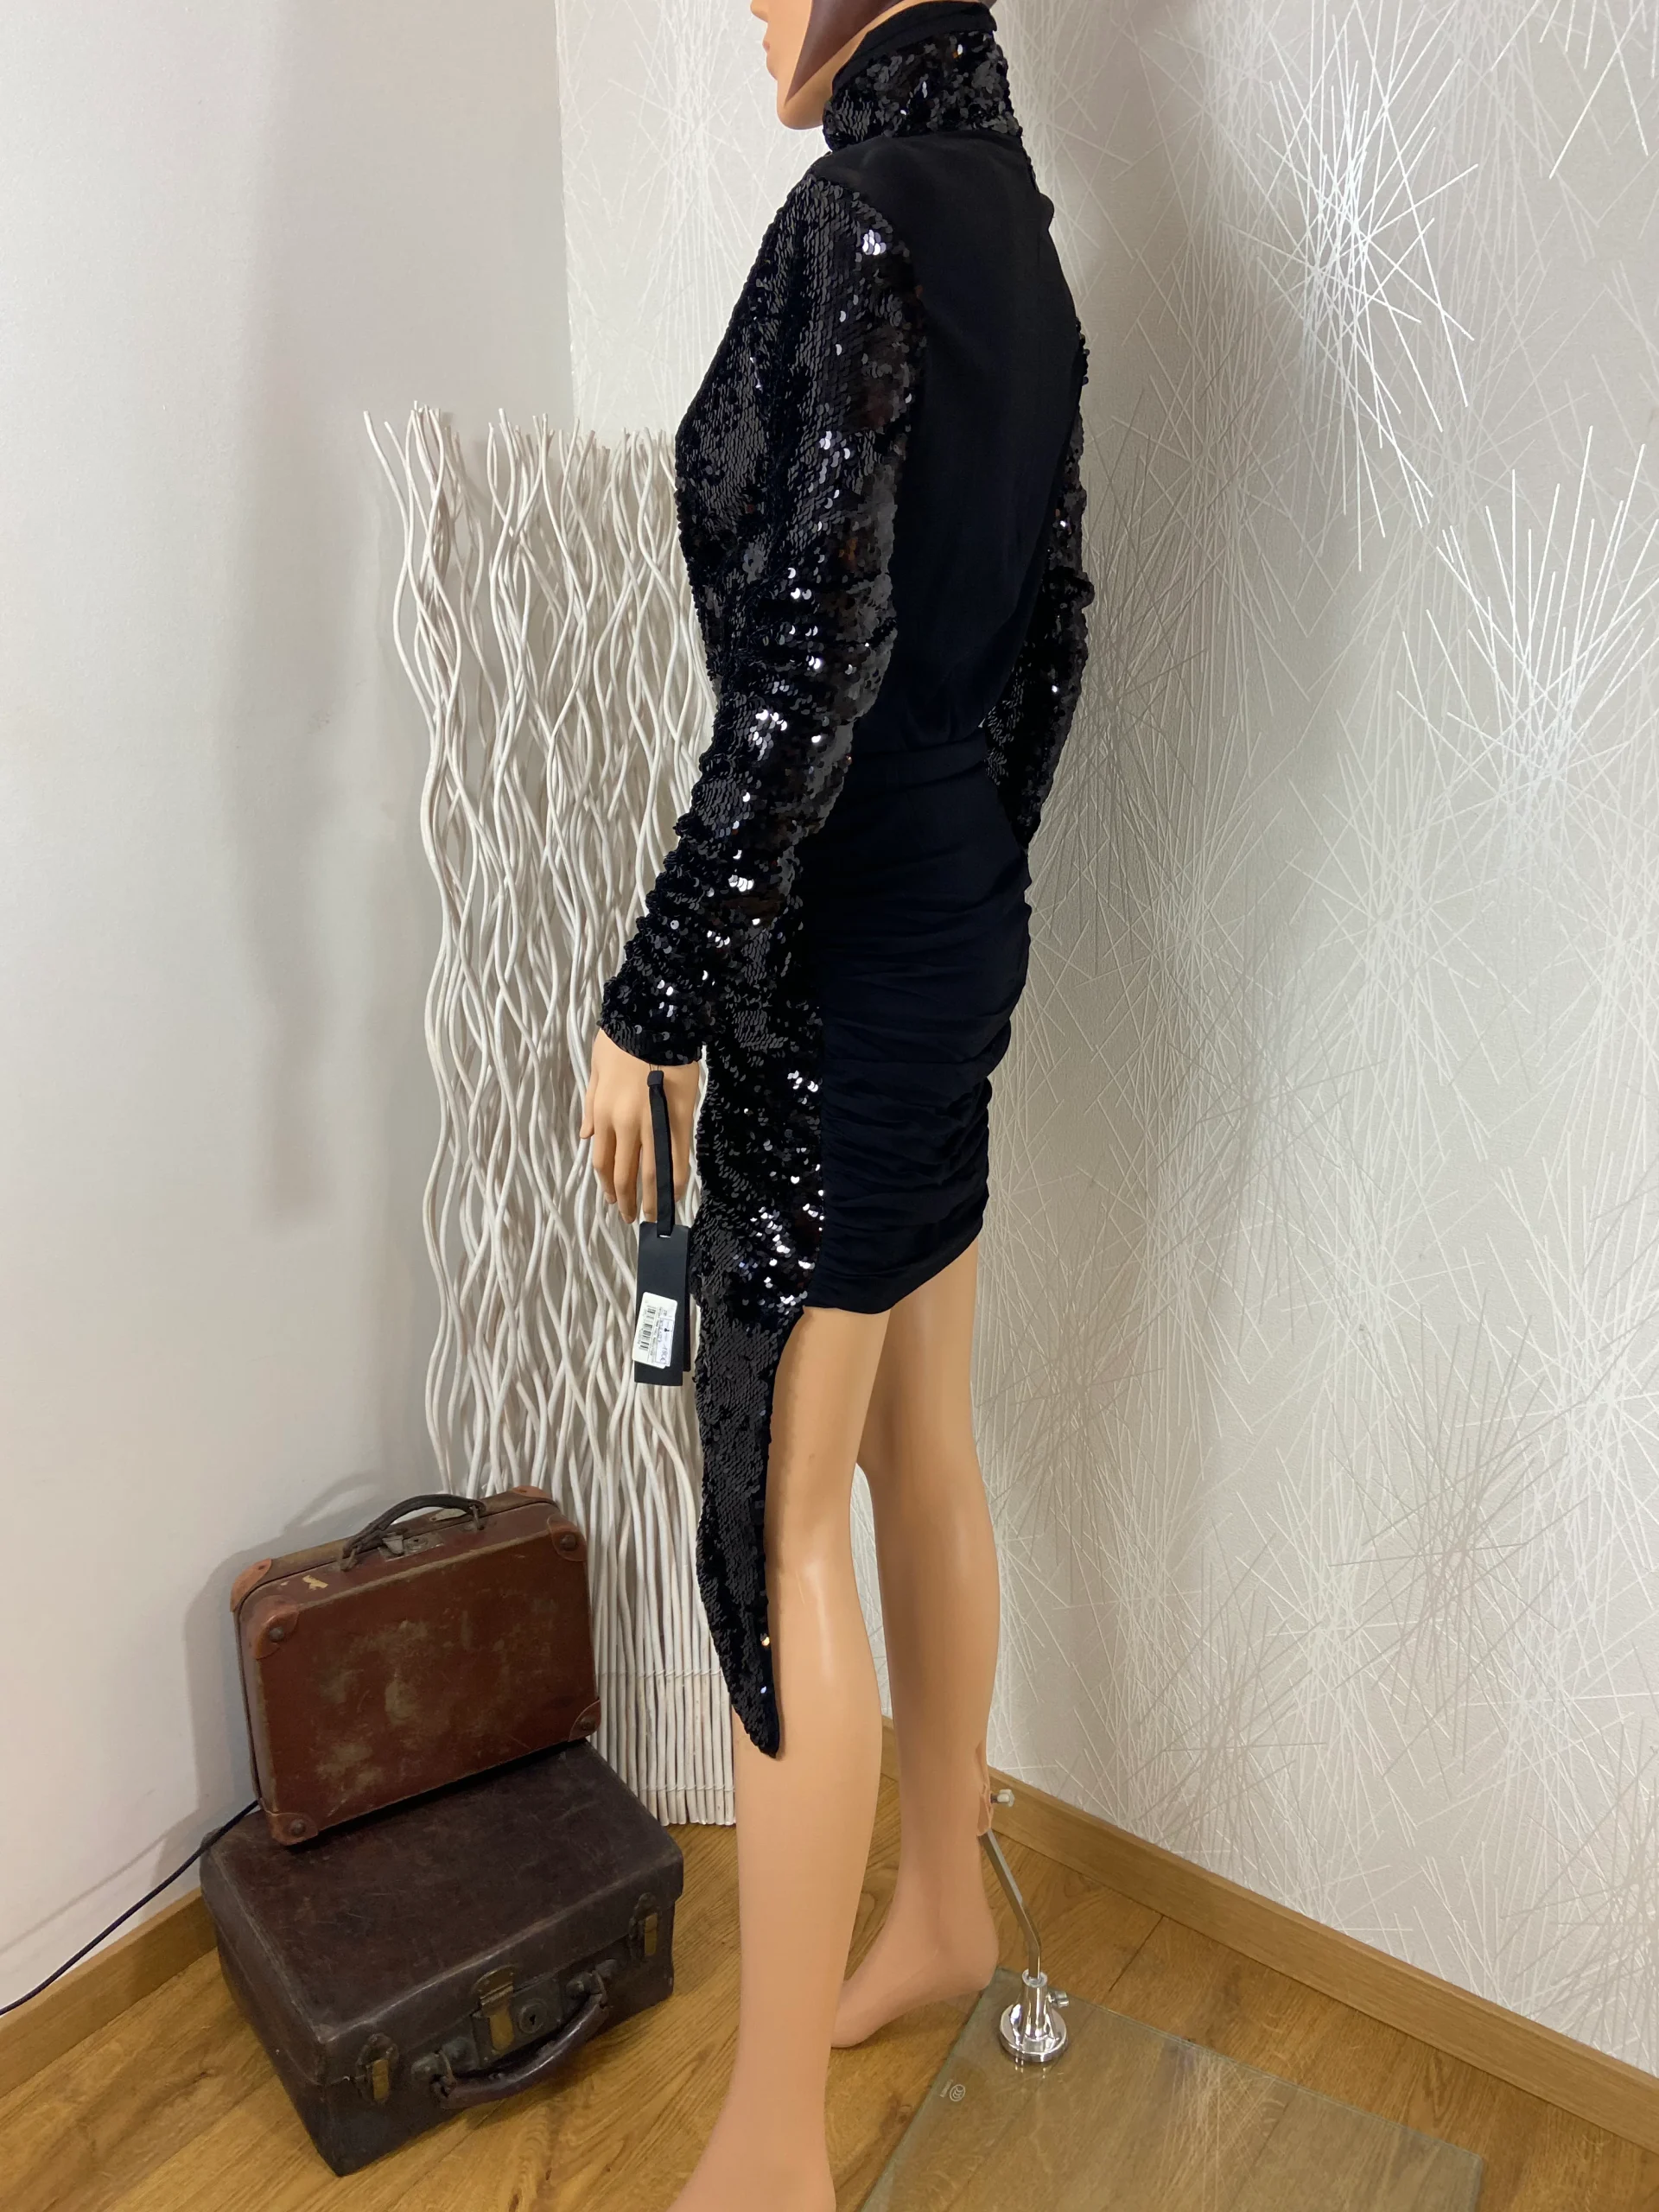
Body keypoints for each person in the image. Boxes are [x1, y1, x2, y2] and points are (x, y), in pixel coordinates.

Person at [581, 3, 1093, 2204]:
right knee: (915, 1446)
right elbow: (1054, 633)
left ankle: (772, 2138)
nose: (747, 9)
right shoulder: (1016, 229)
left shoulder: (864, 219)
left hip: (842, 954)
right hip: (946, 922)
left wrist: (659, 994)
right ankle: (948, 1908)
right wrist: (965, 871)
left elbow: (807, 665)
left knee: (774, 1537)